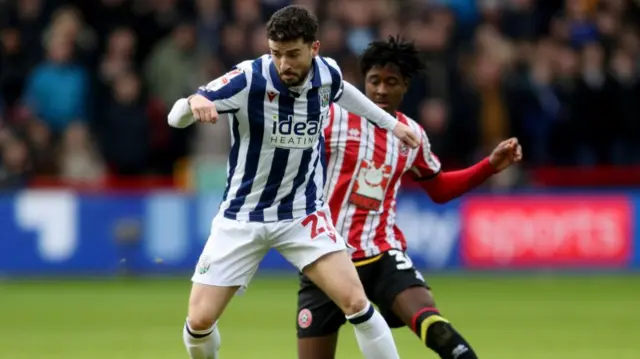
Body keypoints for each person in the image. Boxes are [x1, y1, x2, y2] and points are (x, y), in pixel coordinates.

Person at [167, 6, 420, 359]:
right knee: (198, 322)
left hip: (303, 215)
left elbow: (345, 92)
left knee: (357, 303)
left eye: (292, 54)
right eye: (276, 53)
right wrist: (193, 101)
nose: (283, 63)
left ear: (313, 48)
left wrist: (391, 125)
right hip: (242, 217)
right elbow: (174, 116)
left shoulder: (326, 74)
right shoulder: (248, 79)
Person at [296, 36, 523, 359]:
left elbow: (440, 188)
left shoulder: (411, 135)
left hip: (381, 253)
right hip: (326, 257)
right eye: (375, 81)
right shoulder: (333, 117)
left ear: (405, 87)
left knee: (433, 322)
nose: (381, 90)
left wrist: (490, 166)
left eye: (392, 82)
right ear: (364, 82)